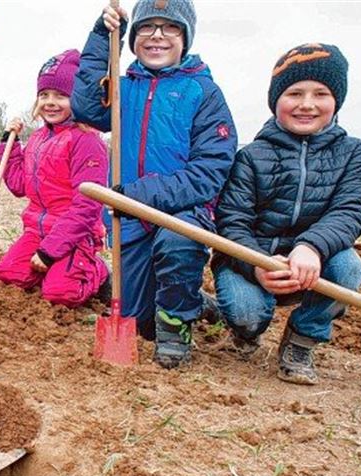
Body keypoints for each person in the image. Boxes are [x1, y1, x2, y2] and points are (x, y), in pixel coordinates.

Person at [72, 0, 237, 368]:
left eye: (170, 27)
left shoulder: (204, 93)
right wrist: (102, 37)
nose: (157, 35)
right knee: (139, 320)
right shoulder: (123, 89)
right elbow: (84, 107)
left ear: (185, 37)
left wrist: (136, 196)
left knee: (177, 246)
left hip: (182, 215)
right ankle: (195, 303)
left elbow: (209, 172)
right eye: (147, 27)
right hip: (129, 220)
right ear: (132, 38)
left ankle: (177, 324)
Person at [212, 43, 361, 385]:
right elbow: (231, 220)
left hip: (317, 263)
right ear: (276, 100)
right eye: (294, 92)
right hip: (253, 260)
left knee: (349, 267)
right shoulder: (252, 156)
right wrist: (257, 265)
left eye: (321, 93)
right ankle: (246, 331)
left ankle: (302, 338)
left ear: (336, 100)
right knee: (246, 313)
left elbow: (351, 209)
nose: (307, 104)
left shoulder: (353, 153)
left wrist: (311, 246)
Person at [0, 49, 111, 309]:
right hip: (37, 231)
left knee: (60, 295)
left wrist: (49, 253)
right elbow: (18, 185)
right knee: (9, 274)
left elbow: (87, 207)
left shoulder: (86, 141)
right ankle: (58, 268)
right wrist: (8, 146)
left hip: (76, 235)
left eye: (61, 95)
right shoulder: (37, 139)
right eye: (44, 94)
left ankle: (97, 271)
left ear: (78, 99)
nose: (50, 102)